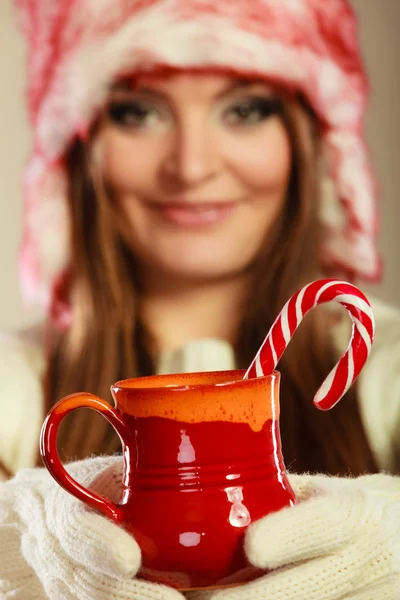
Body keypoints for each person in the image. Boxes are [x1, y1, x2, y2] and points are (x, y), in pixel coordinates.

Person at [0, 0, 399, 599]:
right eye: (138, 112)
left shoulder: (386, 373)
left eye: (245, 109)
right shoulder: (14, 387)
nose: (192, 167)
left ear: (313, 138)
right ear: (78, 146)